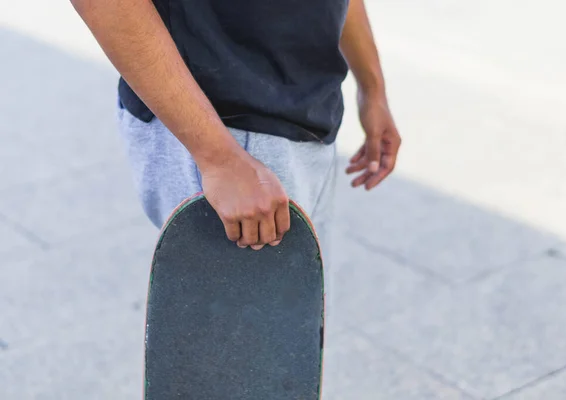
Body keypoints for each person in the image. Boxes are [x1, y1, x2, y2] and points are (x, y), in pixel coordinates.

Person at [70, 0, 400, 314]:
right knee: (236, 361)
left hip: (305, 117)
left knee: (287, 350)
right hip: (227, 130)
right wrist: (218, 157)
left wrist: (372, 89)